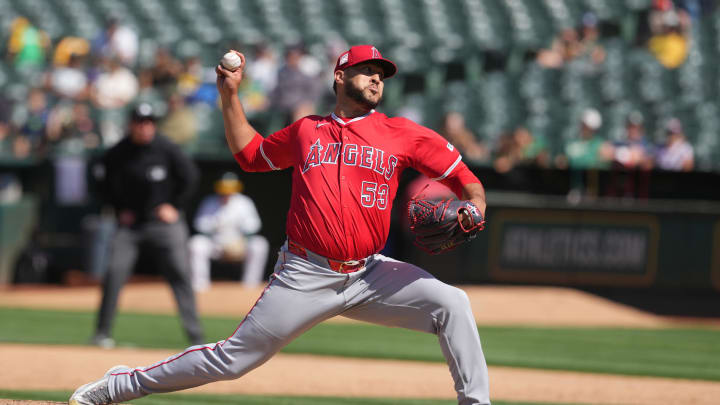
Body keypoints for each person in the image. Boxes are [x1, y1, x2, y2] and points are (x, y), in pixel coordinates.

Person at [70, 45, 490, 405]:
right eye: (367, 70)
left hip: (370, 273)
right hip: (306, 274)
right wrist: (229, 95)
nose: (376, 79)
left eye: (381, 74)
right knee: (231, 360)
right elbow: (250, 155)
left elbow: (464, 178)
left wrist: (475, 205)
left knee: (453, 304)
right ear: (340, 75)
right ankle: (121, 386)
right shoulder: (308, 131)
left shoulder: (403, 133)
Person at [88, 103, 205, 350]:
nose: (145, 126)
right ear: (131, 124)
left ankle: (197, 339)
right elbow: (100, 185)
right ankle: (101, 333)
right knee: (113, 272)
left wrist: (174, 205)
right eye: (140, 122)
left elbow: (191, 177)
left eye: (149, 121)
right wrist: (119, 210)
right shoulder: (118, 153)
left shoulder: (167, 148)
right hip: (131, 227)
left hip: (164, 224)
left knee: (181, 274)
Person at [188, 172, 270, 291]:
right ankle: (200, 285)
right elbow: (199, 225)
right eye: (224, 188)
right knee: (196, 244)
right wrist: (215, 224)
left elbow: (254, 225)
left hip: (239, 244)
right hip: (216, 245)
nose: (227, 193)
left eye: (230, 188)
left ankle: (250, 284)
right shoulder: (209, 202)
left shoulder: (244, 202)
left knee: (259, 244)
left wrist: (242, 237)